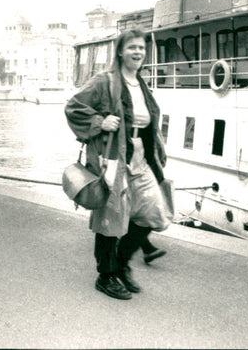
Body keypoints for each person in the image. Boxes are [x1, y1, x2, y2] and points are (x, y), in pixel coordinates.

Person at [64, 29, 170, 300]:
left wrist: (157, 151)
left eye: (142, 48)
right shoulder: (105, 81)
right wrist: (100, 122)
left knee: (154, 213)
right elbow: (73, 107)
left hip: (140, 159)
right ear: (120, 52)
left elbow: (148, 123)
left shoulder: (141, 84)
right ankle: (106, 275)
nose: (138, 52)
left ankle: (121, 263)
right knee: (110, 218)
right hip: (113, 158)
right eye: (132, 47)